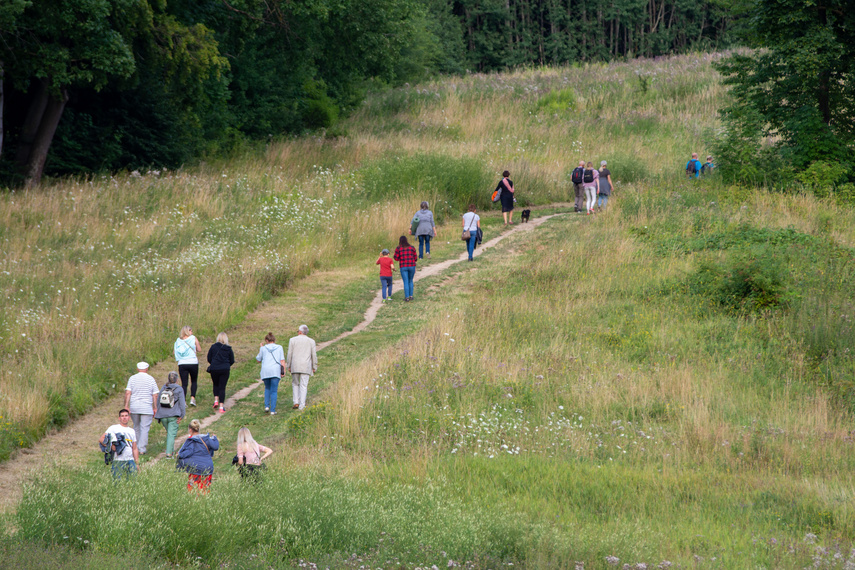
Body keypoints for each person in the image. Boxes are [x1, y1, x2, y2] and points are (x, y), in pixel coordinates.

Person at [124, 362, 159, 455]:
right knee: (144, 428)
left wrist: (126, 406)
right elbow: (155, 395)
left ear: (137, 369)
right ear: (147, 369)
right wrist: (155, 407)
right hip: (146, 407)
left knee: (136, 427)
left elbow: (128, 393)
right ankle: (141, 449)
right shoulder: (150, 379)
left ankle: (135, 447)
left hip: (134, 406)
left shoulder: (132, 378)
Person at [176, 419, 219, 493]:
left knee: (193, 491)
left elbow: (185, 453)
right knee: (205, 490)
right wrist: (215, 438)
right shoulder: (206, 438)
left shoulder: (191, 441)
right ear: (199, 429)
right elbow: (215, 446)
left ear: (190, 430)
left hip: (195, 469)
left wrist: (178, 455)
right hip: (208, 468)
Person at [99, 409, 140, 479]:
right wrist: (111, 446)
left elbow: (135, 448)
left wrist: (137, 463)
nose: (124, 417)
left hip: (130, 460)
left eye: (126, 416)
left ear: (129, 417)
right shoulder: (114, 428)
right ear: (119, 418)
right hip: (118, 460)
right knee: (117, 481)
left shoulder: (132, 431)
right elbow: (101, 439)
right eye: (122, 416)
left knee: (133, 481)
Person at [154, 371, 185, 458]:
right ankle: (168, 454)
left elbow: (158, 401)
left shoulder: (164, 387)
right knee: (171, 435)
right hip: (173, 416)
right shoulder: (179, 389)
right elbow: (182, 404)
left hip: (163, 416)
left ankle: (171, 450)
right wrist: (182, 415)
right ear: (177, 380)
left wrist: (158, 414)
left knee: (170, 434)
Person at [286, 324, 318, 410]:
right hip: (306, 365)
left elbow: (289, 354)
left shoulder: (292, 340)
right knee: (304, 385)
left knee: (295, 383)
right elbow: (313, 355)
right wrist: (314, 366)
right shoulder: (311, 341)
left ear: (300, 332)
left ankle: (296, 401)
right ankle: (302, 405)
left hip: (295, 365)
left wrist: (288, 365)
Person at [256, 332, 285, 415]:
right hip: (275, 370)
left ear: (266, 340)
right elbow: (282, 360)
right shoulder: (279, 347)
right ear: (274, 340)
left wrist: (261, 348)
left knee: (267, 388)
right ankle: (273, 410)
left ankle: (266, 406)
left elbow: (258, 360)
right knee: (274, 391)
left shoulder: (263, 348)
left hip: (266, 371)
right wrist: (283, 371)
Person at [206, 332, 235, 413]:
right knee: (222, 387)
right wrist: (227, 365)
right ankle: (221, 407)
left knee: (215, 384)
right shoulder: (228, 348)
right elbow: (232, 360)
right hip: (225, 369)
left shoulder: (213, 347)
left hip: (214, 369)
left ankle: (216, 400)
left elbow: (209, 358)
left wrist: (214, 363)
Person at [174, 325, 202, 407]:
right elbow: (199, 349)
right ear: (187, 331)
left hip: (182, 363)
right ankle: (192, 398)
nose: (192, 332)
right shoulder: (193, 338)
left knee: (184, 383)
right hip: (193, 362)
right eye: (191, 330)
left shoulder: (178, 341)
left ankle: (183, 401)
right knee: (194, 381)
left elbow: (174, 352)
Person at [394, 235, 418, 302]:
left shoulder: (398, 248)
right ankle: (411, 296)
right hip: (412, 266)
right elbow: (415, 258)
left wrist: (400, 258)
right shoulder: (412, 247)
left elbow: (396, 258)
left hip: (403, 266)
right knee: (411, 280)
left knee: (405, 282)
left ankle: (407, 297)